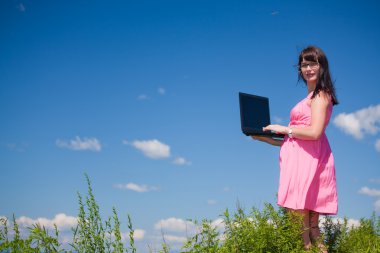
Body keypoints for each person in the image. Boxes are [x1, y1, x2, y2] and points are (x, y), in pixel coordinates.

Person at [252, 46, 338, 252]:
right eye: (304, 64)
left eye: (312, 63)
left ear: (322, 66)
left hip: (308, 163)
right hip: (304, 159)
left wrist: (284, 128)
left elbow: (315, 132)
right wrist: (265, 139)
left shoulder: (320, 96)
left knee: (304, 230)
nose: (308, 68)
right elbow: (296, 140)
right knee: (310, 229)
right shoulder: (311, 98)